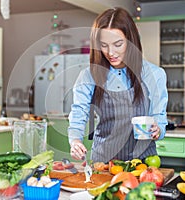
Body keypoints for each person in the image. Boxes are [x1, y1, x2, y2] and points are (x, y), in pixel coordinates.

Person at [68, 7, 168, 163]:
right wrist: (75, 140)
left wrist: (158, 130)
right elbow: (79, 112)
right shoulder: (89, 75)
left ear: (131, 41)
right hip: (104, 162)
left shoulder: (155, 75)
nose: (110, 52)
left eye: (118, 44)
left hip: (143, 163)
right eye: (104, 45)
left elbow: (159, 117)